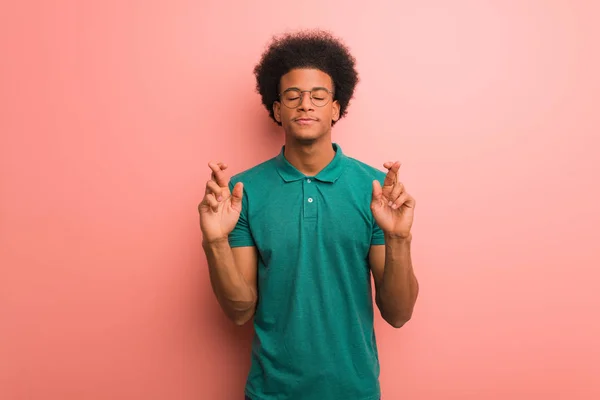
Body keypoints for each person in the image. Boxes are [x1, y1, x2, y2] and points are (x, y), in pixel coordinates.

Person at [198, 30, 419, 400]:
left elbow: (398, 313)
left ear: (336, 108)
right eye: (292, 96)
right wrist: (215, 240)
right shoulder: (240, 192)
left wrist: (398, 237)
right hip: (270, 392)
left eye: (318, 96)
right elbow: (239, 311)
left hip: (355, 391)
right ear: (276, 109)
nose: (305, 105)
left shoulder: (377, 190)